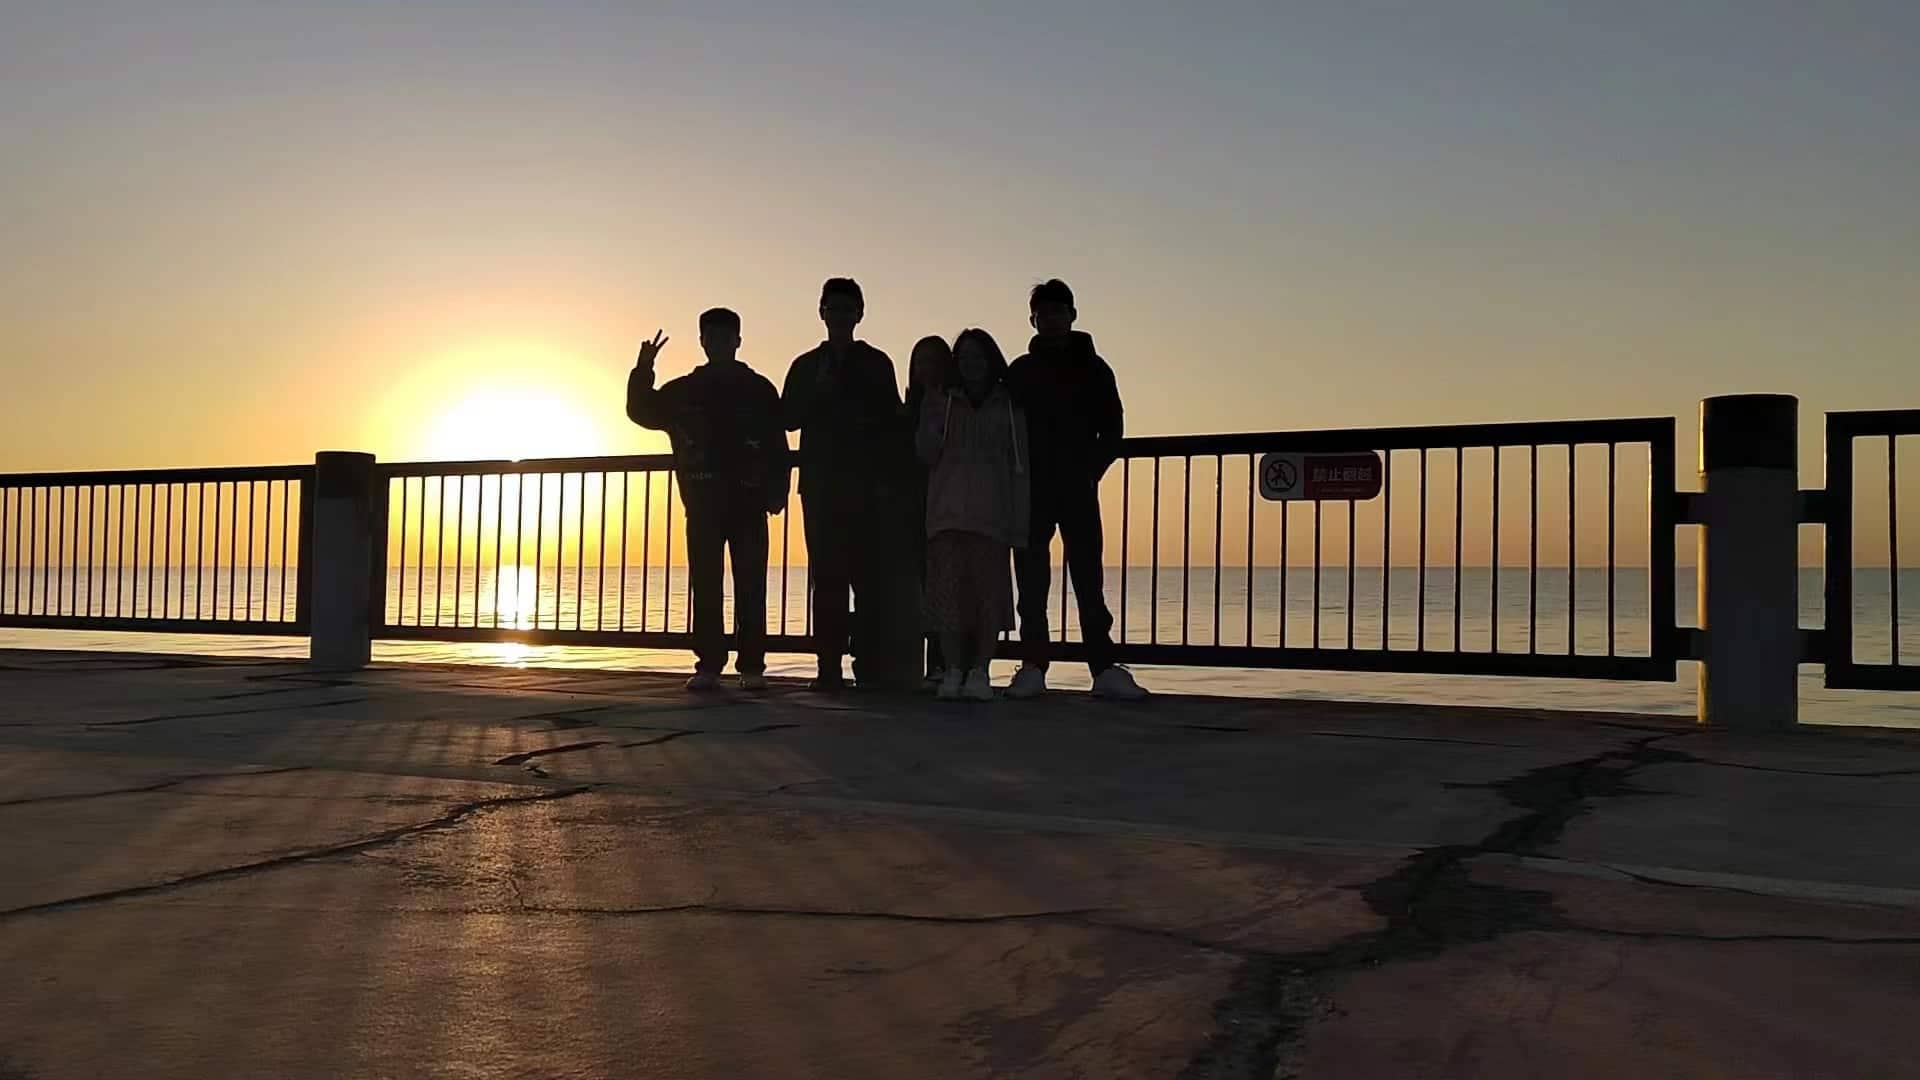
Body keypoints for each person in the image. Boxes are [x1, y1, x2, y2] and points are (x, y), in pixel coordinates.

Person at [626, 310, 789, 692]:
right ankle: (709, 664)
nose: (718, 343)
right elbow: (642, 410)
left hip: (749, 503)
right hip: (702, 503)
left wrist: (777, 489)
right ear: (702, 342)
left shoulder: (758, 389)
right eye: (711, 337)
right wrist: (644, 368)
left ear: (737, 341)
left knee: (752, 585)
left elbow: (776, 443)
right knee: (706, 584)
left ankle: (752, 666)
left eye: (725, 337)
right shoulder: (684, 391)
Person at [1005, 279, 1149, 701]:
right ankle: (1033, 666)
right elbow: (1004, 427)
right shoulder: (1020, 371)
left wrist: (1091, 472)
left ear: (1071, 315)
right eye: (1042, 314)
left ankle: (1103, 668)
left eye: (1056, 312)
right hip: (1031, 490)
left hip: (1077, 488)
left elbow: (1113, 428)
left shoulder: (1095, 369)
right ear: (1033, 320)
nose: (1050, 320)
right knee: (1031, 583)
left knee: (1088, 579)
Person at [781, 278, 906, 690]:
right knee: (827, 579)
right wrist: (816, 394)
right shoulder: (805, 365)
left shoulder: (876, 363)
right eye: (833, 309)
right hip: (820, 485)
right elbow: (787, 418)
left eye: (847, 309)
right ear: (822, 313)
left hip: (868, 486)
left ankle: (868, 666)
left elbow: (892, 421)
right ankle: (829, 667)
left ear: (859, 314)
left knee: (869, 579)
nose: (839, 316)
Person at [916, 329, 1028, 701]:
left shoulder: (1009, 406)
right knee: (948, 598)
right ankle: (953, 668)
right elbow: (925, 453)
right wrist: (931, 415)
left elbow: (1019, 467)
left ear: (991, 361)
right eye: (964, 358)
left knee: (987, 598)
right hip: (946, 514)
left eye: (978, 357)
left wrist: (1019, 521)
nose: (971, 365)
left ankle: (980, 669)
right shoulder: (942, 401)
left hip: (992, 516)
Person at [904, 335, 953, 690]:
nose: (926, 369)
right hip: (917, 505)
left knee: (947, 582)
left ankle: (947, 662)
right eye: (920, 362)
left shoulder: (952, 404)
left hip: (949, 502)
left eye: (933, 361)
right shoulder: (910, 408)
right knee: (928, 585)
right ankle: (934, 663)